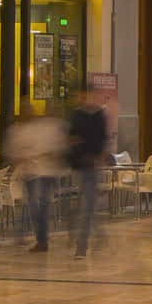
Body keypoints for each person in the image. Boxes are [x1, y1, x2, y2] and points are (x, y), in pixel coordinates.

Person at [8, 104, 71, 253]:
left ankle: (41, 238)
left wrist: (43, 155)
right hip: (32, 173)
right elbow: (16, 152)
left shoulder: (47, 127)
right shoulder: (21, 129)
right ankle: (39, 237)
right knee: (35, 205)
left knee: (40, 205)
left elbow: (57, 149)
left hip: (45, 172)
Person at [66, 86, 110, 257]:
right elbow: (71, 137)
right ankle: (99, 234)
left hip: (92, 166)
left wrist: (98, 157)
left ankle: (82, 243)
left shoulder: (99, 116)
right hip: (79, 165)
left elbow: (103, 140)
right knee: (84, 205)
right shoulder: (76, 115)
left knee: (88, 204)